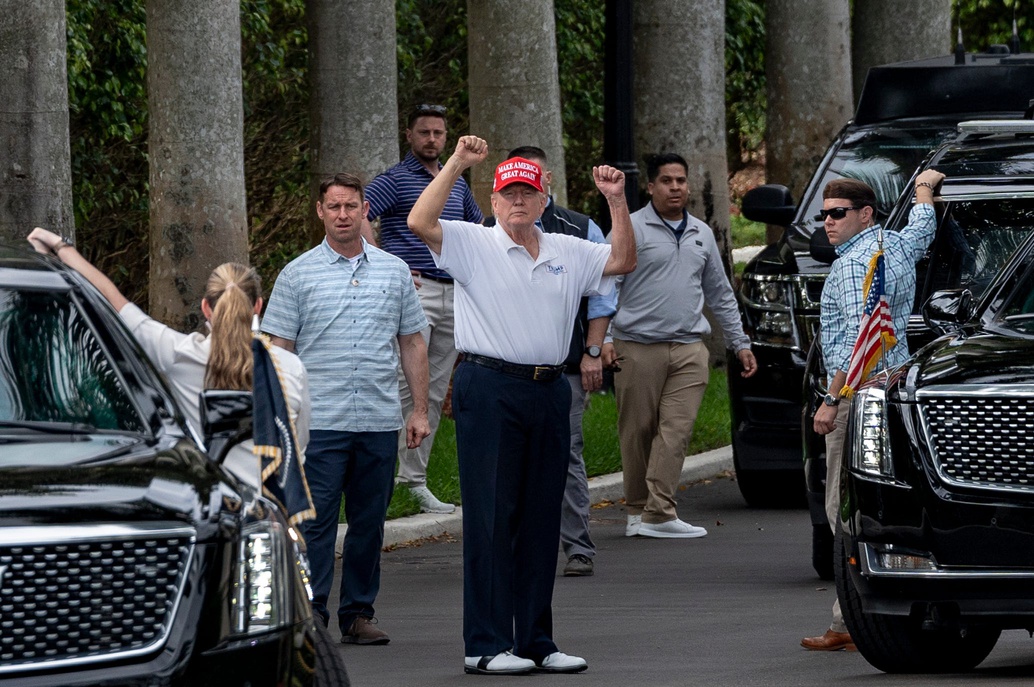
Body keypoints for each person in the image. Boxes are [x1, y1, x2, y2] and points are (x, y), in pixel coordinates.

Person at [408, 136, 636, 675]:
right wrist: (459, 163)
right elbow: (420, 222)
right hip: (488, 386)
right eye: (507, 192)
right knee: (491, 515)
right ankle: (484, 644)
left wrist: (617, 199)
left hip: (550, 388)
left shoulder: (568, 248)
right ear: (493, 197)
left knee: (540, 516)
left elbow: (622, 259)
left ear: (542, 198)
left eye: (526, 193)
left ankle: (536, 640)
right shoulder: (472, 241)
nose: (517, 201)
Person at [262, 172, 431, 646]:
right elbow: (279, 350)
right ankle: (311, 617)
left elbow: (413, 343)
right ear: (320, 211)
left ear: (364, 210)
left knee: (367, 525)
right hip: (321, 423)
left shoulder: (394, 270)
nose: (342, 215)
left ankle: (357, 614)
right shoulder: (296, 274)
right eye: (333, 207)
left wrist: (419, 411)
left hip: (378, 419)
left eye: (350, 206)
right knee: (314, 526)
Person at [25, 227, 309, 491]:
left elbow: (115, 302)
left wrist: (61, 247)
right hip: (273, 511)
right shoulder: (290, 368)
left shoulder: (179, 354)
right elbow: (299, 445)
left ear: (206, 308)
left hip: (213, 507)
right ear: (258, 306)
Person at [801, 168, 945, 652]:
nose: (828, 222)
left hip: (856, 394)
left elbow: (852, 341)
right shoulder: (898, 246)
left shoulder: (851, 266)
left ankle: (849, 619)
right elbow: (924, 227)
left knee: (843, 507)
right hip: (896, 389)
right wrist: (925, 188)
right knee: (886, 501)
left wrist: (829, 400)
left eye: (838, 213)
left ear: (865, 215)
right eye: (823, 215)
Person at [601, 153, 758, 539]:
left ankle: (660, 512)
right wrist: (602, 340)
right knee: (637, 431)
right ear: (651, 187)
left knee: (676, 430)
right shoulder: (629, 228)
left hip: (689, 348)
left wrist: (740, 343)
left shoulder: (701, 233)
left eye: (681, 181)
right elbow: (604, 286)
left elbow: (720, 293)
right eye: (667, 181)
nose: (675, 187)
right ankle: (637, 511)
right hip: (636, 347)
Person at [488, 145, 616, 578]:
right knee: (507, 461)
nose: (522, 196)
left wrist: (593, 351)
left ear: (547, 187)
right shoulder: (486, 233)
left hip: (563, 368)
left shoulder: (579, 229)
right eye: (514, 187)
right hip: (500, 374)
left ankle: (578, 546)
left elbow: (604, 293)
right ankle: (510, 546)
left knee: (566, 456)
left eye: (533, 184)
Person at [362, 104, 484, 515]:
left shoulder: (457, 185)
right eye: (424, 132)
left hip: (455, 294)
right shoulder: (395, 180)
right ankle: (388, 479)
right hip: (414, 293)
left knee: (432, 391)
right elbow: (361, 212)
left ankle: (413, 482)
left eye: (439, 133)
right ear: (409, 136)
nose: (432, 139)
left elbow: (478, 231)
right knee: (404, 386)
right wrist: (381, 262)